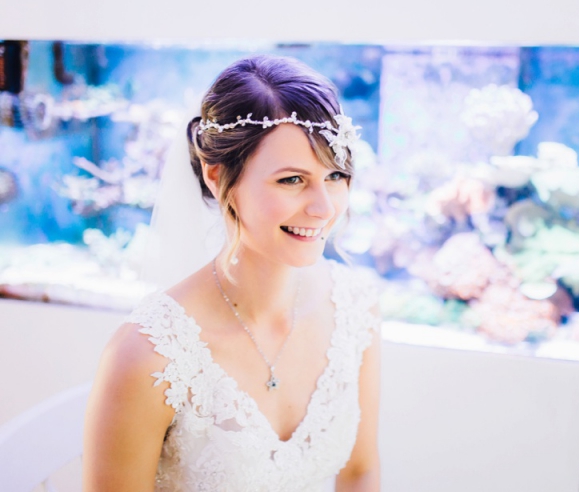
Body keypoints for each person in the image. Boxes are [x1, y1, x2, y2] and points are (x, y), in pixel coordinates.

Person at [82, 55, 381, 491]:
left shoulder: (355, 307)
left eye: (335, 175)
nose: (324, 208)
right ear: (218, 175)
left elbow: (360, 472)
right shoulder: (148, 354)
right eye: (292, 180)